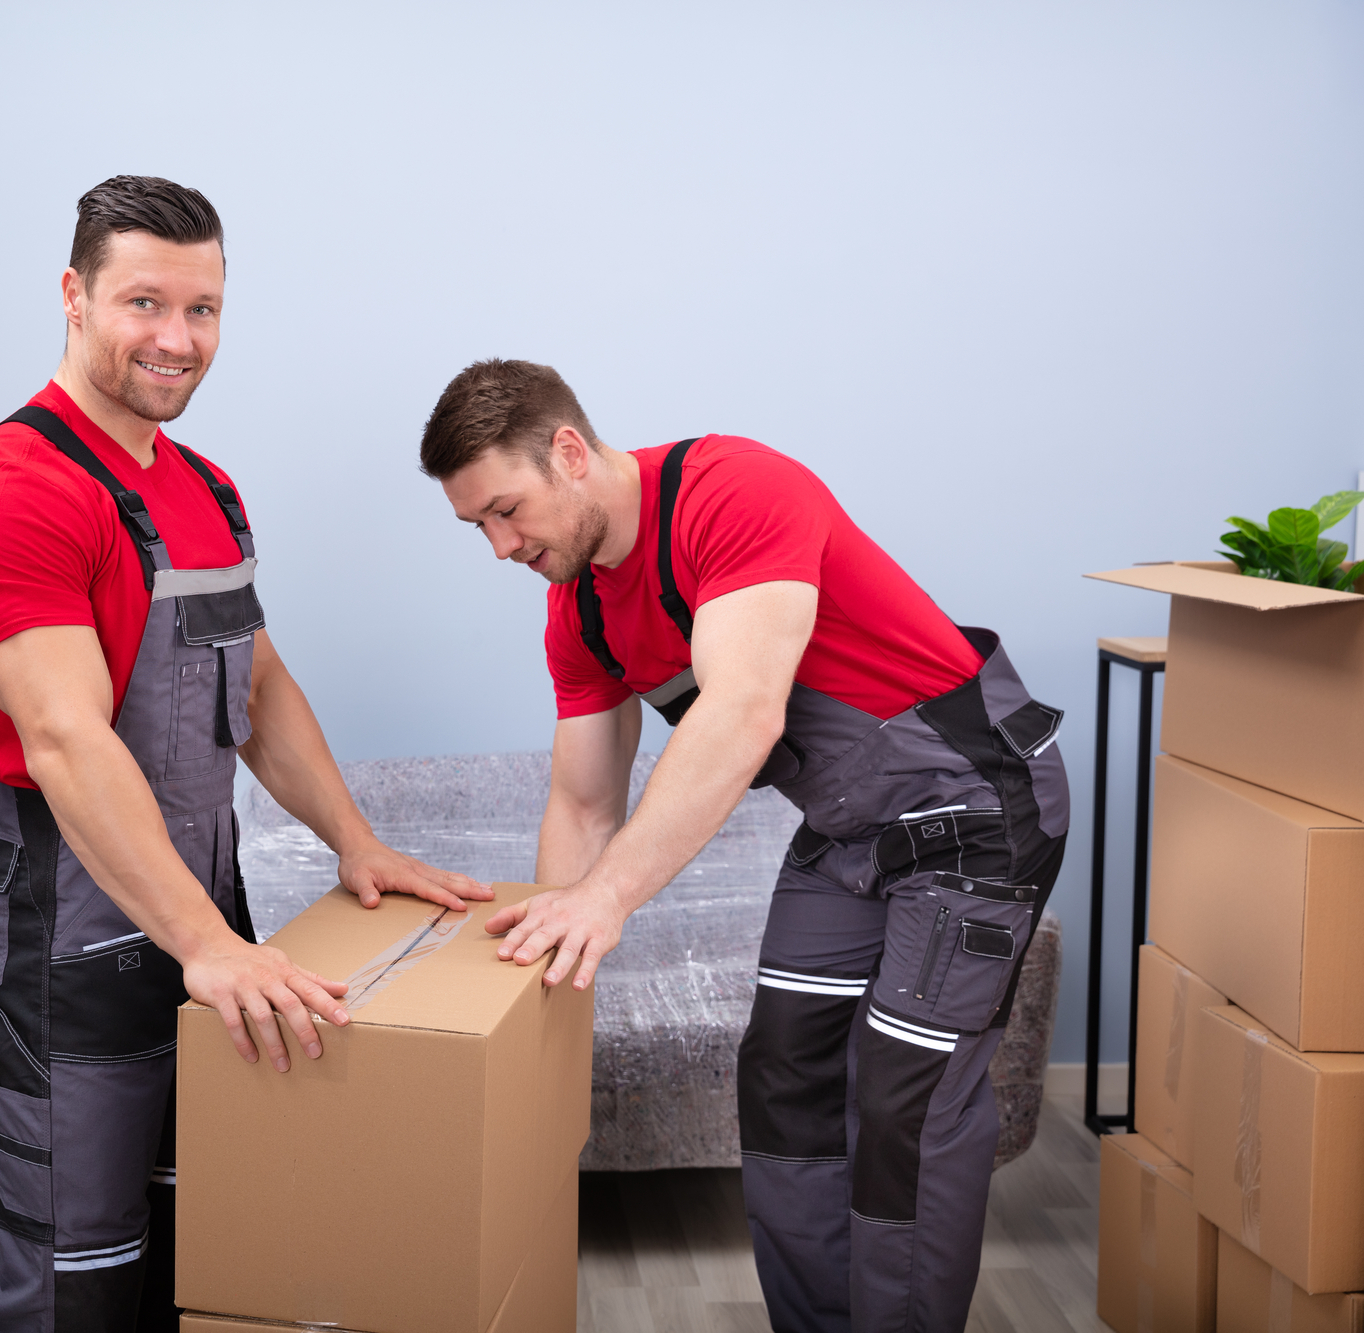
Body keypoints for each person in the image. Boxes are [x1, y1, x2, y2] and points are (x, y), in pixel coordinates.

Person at [0, 176, 489, 1333]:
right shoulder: (10, 493)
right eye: (143, 302)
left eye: (203, 310)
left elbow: (261, 686)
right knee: (73, 1276)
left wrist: (355, 843)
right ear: (73, 296)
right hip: (63, 944)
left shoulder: (202, 489)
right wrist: (207, 947)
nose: (175, 341)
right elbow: (66, 739)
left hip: (198, 921)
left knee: (192, 1247)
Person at [417, 360, 1067, 1333]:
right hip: (850, 828)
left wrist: (605, 901)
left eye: (506, 510)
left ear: (566, 452)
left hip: (969, 804)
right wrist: (542, 970)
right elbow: (582, 802)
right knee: (781, 1078)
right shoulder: (578, 608)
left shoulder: (730, 492)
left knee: (904, 1106)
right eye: (477, 527)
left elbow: (742, 713)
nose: (500, 545)